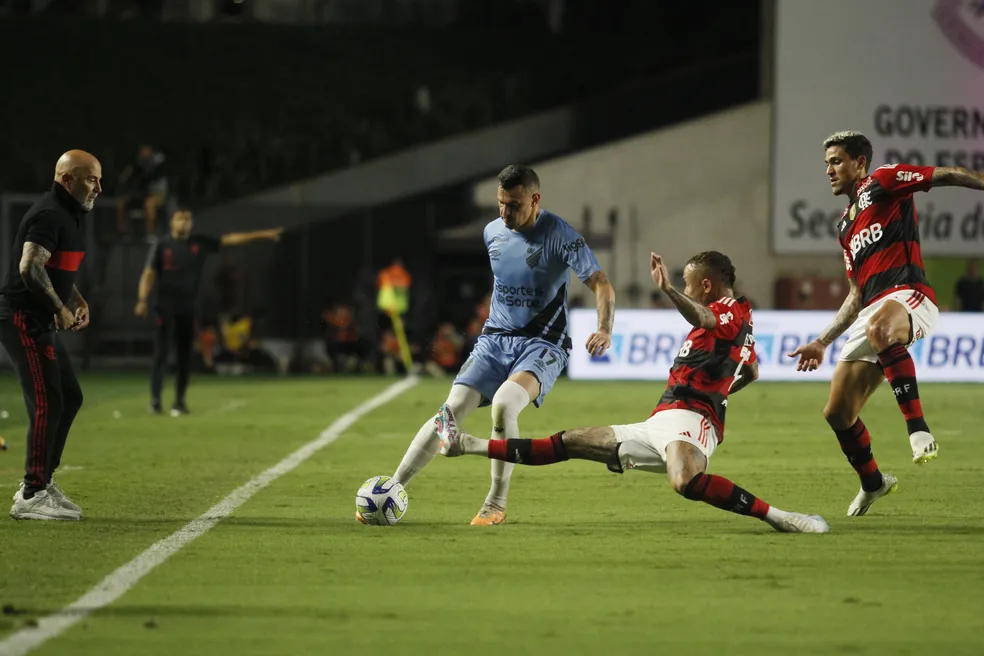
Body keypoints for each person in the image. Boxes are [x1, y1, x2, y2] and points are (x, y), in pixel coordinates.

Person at [436, 251, 828, 534]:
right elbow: (752, 370)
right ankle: (464, 444)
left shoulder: (729, 310)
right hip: (659, 421)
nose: (686, 290)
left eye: (689, 285)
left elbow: (705, 317)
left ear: (706, 285)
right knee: (569, 442)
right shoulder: (737, 322)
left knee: (685, 481)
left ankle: (782, 518)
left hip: (692, 420)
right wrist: (723, 389)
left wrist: (669, 290)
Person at [380, 164, 616, 526]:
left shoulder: (561, 235)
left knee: (505, 404)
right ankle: (392, 488)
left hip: (543, 343)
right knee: (451, 410)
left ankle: (495, 502)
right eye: (501, 203)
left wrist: (604, 328)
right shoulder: (492, 232)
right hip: (494, 340)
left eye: (514, 204)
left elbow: (601, 282)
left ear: (535, 200)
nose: (505, 212)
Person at [788, 131, 984, 516]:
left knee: (880, 328)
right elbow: (855, 294)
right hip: (872, 311)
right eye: (827, 163)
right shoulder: (844, 227)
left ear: (860, 162)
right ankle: (873, 483)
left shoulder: (884, 181)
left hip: (910, 295)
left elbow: (944, 174)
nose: (829, 170)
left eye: (836, 161)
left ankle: (917, 428)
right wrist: (822, 341)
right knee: (837, 413)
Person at [0, 150, 102, 521]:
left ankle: (43, 481)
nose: (98, 188)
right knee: (49, 401)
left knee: (69, 397)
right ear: (66, 180)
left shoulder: (69, 213)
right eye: (91, 179)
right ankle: (31, 494)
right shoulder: (49, 213)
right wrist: (59, 308)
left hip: (39, 318)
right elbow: (30, 267)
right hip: (23, 317)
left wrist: (76, 299)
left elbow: (55, 271)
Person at [134, 208, 282, 416]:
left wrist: (263, 235)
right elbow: (149, 273)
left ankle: (179, 401)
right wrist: (142, 299)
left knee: (185, 355)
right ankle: (156, 401)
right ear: (172, 222)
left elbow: (231, 240)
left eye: (187, 219)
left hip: (188, 307)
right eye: (180, 219)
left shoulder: (199, 243)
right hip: (164, 306)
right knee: (161, 354)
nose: (184, 222)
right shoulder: (162, 244)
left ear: (192, 223)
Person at [116, 144, 168, 237]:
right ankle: (123, 231)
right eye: (142, 151)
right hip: (141, 194)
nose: (144, 153)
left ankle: (151, 234)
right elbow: (130, 180)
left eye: (146, 150)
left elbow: (153, 180)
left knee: (149, 204)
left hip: (157, 194)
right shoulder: (137, 164)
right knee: (121, 203)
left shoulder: (159, 164)